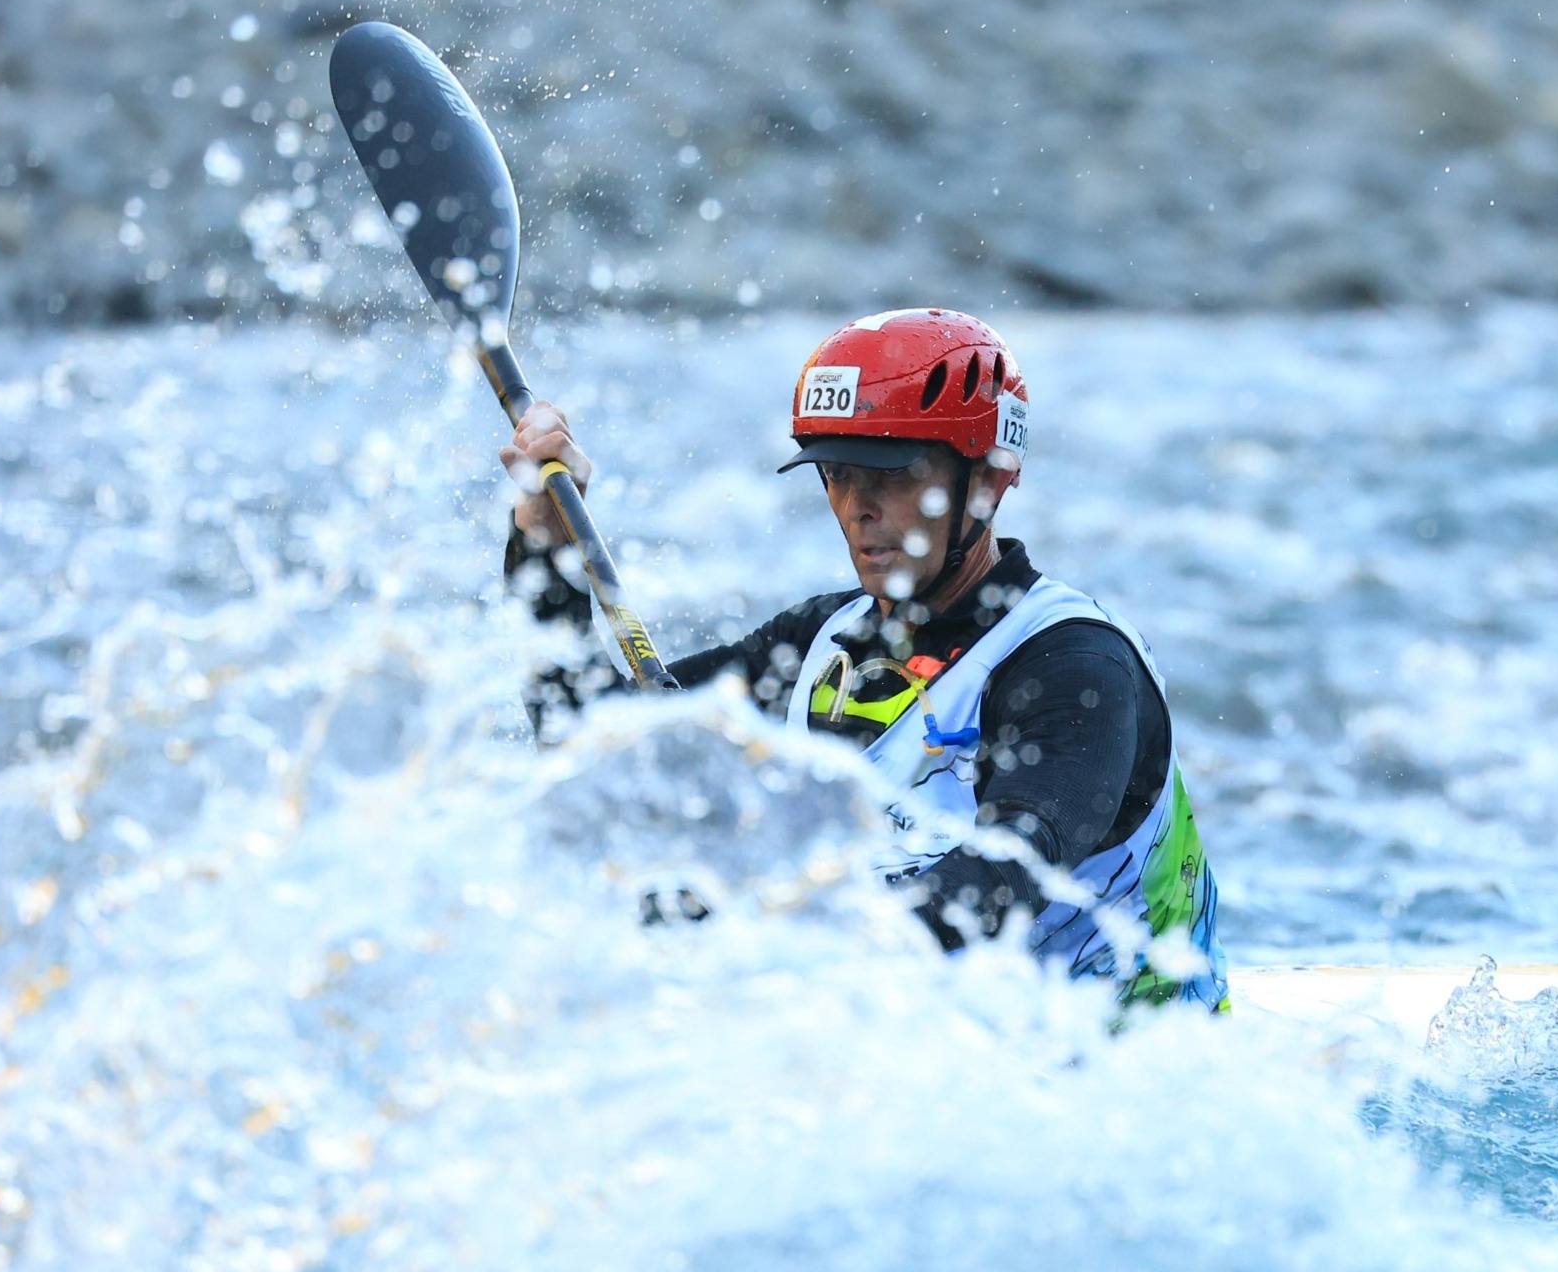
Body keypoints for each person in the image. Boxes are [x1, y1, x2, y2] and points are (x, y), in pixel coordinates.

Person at [499, 307, 1226, 1009]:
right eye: (840, 473)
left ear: (987, 479)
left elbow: (995, 889)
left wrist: (746, 933)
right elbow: (586, 741)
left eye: (895, 475)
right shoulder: (817, 641)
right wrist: (545, 546)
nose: (857, 507)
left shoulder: (1076, 668)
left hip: (1115, 1062)